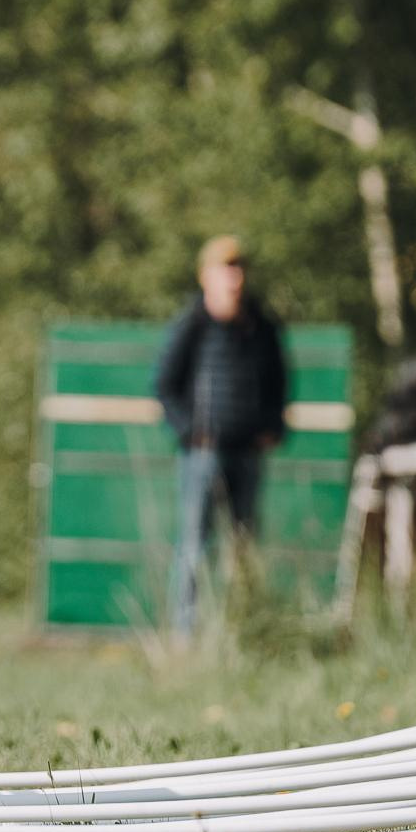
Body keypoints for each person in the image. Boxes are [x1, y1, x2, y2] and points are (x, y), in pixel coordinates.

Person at [154, 236, 289, 635]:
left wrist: (273, 427)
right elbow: (164, 386)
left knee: (243, 547)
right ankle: (186, 635)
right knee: (194, 547)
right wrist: (190, 432)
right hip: (203, 454)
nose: (234, 278)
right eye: (226, 269)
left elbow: (279, 383)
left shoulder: (261, 326)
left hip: (247, 453)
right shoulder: (192, 324)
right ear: (206, 276)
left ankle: (240, 631)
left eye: (239, 268)